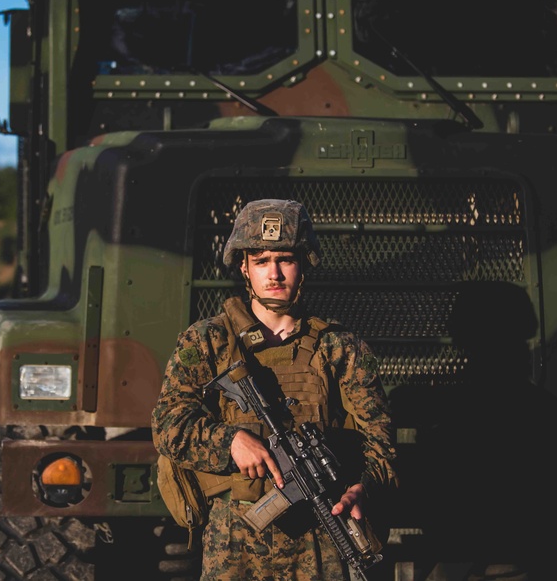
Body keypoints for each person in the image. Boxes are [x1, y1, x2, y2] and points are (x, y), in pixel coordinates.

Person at [151, 198, 398, 581]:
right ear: (244, 268)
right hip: (233, 545)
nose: (275, 273)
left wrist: (362, 488)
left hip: (320, 540)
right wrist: (230, 441)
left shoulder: (339, 346)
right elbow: (168, 424)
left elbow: (381, 443)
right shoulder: (208, 341)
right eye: (262, 261)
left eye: (286, 259)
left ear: (303, 266)